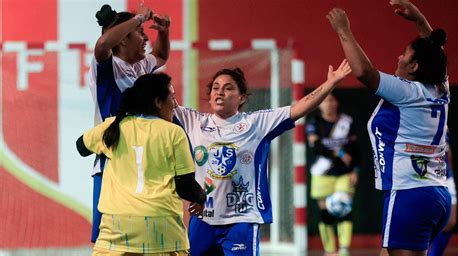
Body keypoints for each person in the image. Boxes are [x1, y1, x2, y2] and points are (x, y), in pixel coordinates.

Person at [173, 60, 351, 255]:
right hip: (203, 219)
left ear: (241, 98)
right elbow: (160, 97)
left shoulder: (256, 123)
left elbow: (300, 108)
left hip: (242, 221)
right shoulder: (193, 121)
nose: (219, 92)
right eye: (215, 88)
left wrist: (330, 83)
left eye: (227, 88)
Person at [327, 0, 450, 255]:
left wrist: (343, 30)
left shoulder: (407, 92)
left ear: (414, 66)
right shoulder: (440, 88)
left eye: (404, 54)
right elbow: (435, 54)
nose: (399, 56)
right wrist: (419, 20)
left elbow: (364, 73)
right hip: (435, 194)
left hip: (409, 193)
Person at [76, 73, 206, 255]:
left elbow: (80, 147)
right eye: (172, 96)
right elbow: (185, 187)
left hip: (116, 228)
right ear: (158, 102)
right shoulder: (174, 133)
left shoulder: (114, 126)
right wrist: (202, 197)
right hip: (162, 229)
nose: (176, 104)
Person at [89, 3, 170, 242]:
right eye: (141, 33)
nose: (146, 38)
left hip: (142, 161)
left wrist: (164, 32)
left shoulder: (141, 67)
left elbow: (162, 55)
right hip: (112, 162)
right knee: (108, 239)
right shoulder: (108, 66)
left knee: (142, 235)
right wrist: (139, 18)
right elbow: (103, 44)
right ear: (123, 39)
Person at [306, 93, 359, 256]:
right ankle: (329, 251)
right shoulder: (314, 123)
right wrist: (340, 153)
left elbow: (356, 150)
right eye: (325, 101)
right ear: (320, 105)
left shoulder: (347, 122)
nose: (328, 104)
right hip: (322, 174)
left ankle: (344, 249)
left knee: (345, 209)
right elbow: (316, 147)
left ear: (336, 102)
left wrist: (356, 170)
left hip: (344, 174)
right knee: (326, 213)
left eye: (331, 100)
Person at [428, 136, 457, 256]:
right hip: (429, 175)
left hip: (446, 175)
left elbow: (448, 152)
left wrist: (451, 175)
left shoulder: (444, 124)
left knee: (450, 222)